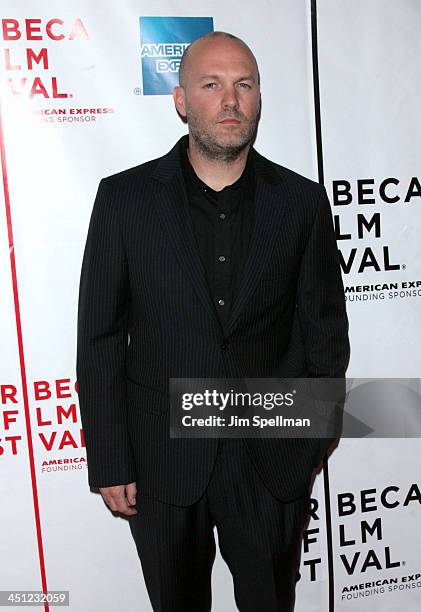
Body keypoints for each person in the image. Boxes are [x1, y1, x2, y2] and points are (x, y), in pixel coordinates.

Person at [76, 30, 350, 612]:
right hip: (162, 461)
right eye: (212, 85)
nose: (231, 100)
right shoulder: (124, 201)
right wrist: (110, 457)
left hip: (269, 460)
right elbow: (100, 341)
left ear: (258, 99)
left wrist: (311, 440)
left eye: (243, 85)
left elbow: (325, 331)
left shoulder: (301, 204)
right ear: (182, 101)